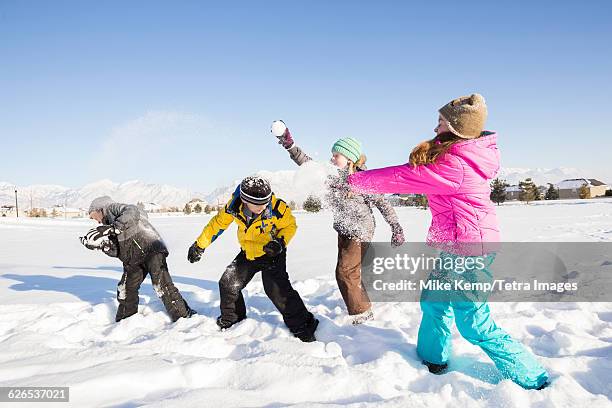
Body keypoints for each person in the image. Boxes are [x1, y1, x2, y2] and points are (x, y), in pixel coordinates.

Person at [347, 94, 549, 389]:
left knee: (473, 322)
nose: (435, 127)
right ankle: (432, 357)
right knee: (434, 301)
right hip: (456, 245)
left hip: (471, 249)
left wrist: (356, 181)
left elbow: (405, 177)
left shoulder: (456, 165)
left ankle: (533, 378)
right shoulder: (456, 158)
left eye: (440, 122)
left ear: (456, 129)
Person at [273, 120, 405, 325]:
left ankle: (362, 314)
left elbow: (383, 203)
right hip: (343, 229)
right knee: (350, 272)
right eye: (332, 155)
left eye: (337, 155)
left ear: (350, 158)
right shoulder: (329, 175)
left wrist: (395, 227)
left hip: (360, 230)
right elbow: (307, 163)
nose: (332, 158)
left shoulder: (364, 180)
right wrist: (289, 145)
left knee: (345, 272)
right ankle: (363, 306)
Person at [187, 176, 319, 342]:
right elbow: (217, 225)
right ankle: (233, 319)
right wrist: (199, 245)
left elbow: (290, 225)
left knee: (276, 289)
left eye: (265, 202)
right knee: (228, 283)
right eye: (257, 204)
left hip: (272, 252)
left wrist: (279, 242)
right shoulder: (233, 208)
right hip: (248, 252)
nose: (263, 207)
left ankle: (304, 324)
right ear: (244, 200)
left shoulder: (278, 207)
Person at [82, 196, 195, 322]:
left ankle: (184, 317)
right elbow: (119, 250)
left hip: (151, 248)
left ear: (99, 209)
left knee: (161, 284)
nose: (96, 221)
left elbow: (132, 211)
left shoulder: (113, 208)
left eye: (93, 217)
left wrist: (113, 228)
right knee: (125, 288)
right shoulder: (111, 224)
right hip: (134, 258)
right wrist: (103, 246)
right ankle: (125, 320)